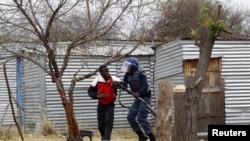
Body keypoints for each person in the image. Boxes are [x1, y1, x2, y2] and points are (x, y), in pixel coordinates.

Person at [120, 57, 155, 141]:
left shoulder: (141, 73)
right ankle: (141, 136)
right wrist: (119, 85)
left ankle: (151, 136)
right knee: (130, 117)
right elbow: (124, 85)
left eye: (128, 66)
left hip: (145, 97)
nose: (127, 68)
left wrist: (138, 93)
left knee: (141, 118)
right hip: (137, 98)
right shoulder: (127, 74)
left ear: (133, 66)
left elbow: (145, 86)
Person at [87, 65, 120, 141]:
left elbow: (123, 85)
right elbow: (90, 91)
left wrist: (117, 85)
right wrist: (98, 96)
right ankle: (104, 137)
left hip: (110, 104)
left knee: (108, 121)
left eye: (108, 70)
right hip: (101, 104)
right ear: (101, 72)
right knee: (100, 125)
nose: (107, 72)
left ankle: (107, 139)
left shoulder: (113, 79)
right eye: (105, 71)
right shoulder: (97, 80)